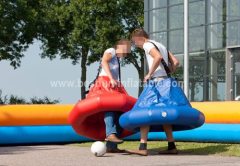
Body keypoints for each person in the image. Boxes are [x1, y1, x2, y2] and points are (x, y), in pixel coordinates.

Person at [128, 28, 179, 156]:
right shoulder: (160, 45)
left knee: (144, 111)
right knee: (164, 113)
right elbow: (176, 62)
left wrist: (149, 74)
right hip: (167, 82)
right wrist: (167, 72)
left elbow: (157, 57)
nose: (137, 45)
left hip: (156, 83)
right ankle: (171, 146)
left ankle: (142, 147)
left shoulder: (147, 44)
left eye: (135, 42)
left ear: (139, 38)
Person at [88, 39, 131, 153]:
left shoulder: (117, 59)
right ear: (121, 46)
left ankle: (111, 146)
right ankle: (110, 134)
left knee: (119, 111)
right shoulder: (111, 50)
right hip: (106, 81)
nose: (128, 52)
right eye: (127, 49)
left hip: (113, 83)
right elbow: (104, 62)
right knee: (111, 107)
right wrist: (111, 78)